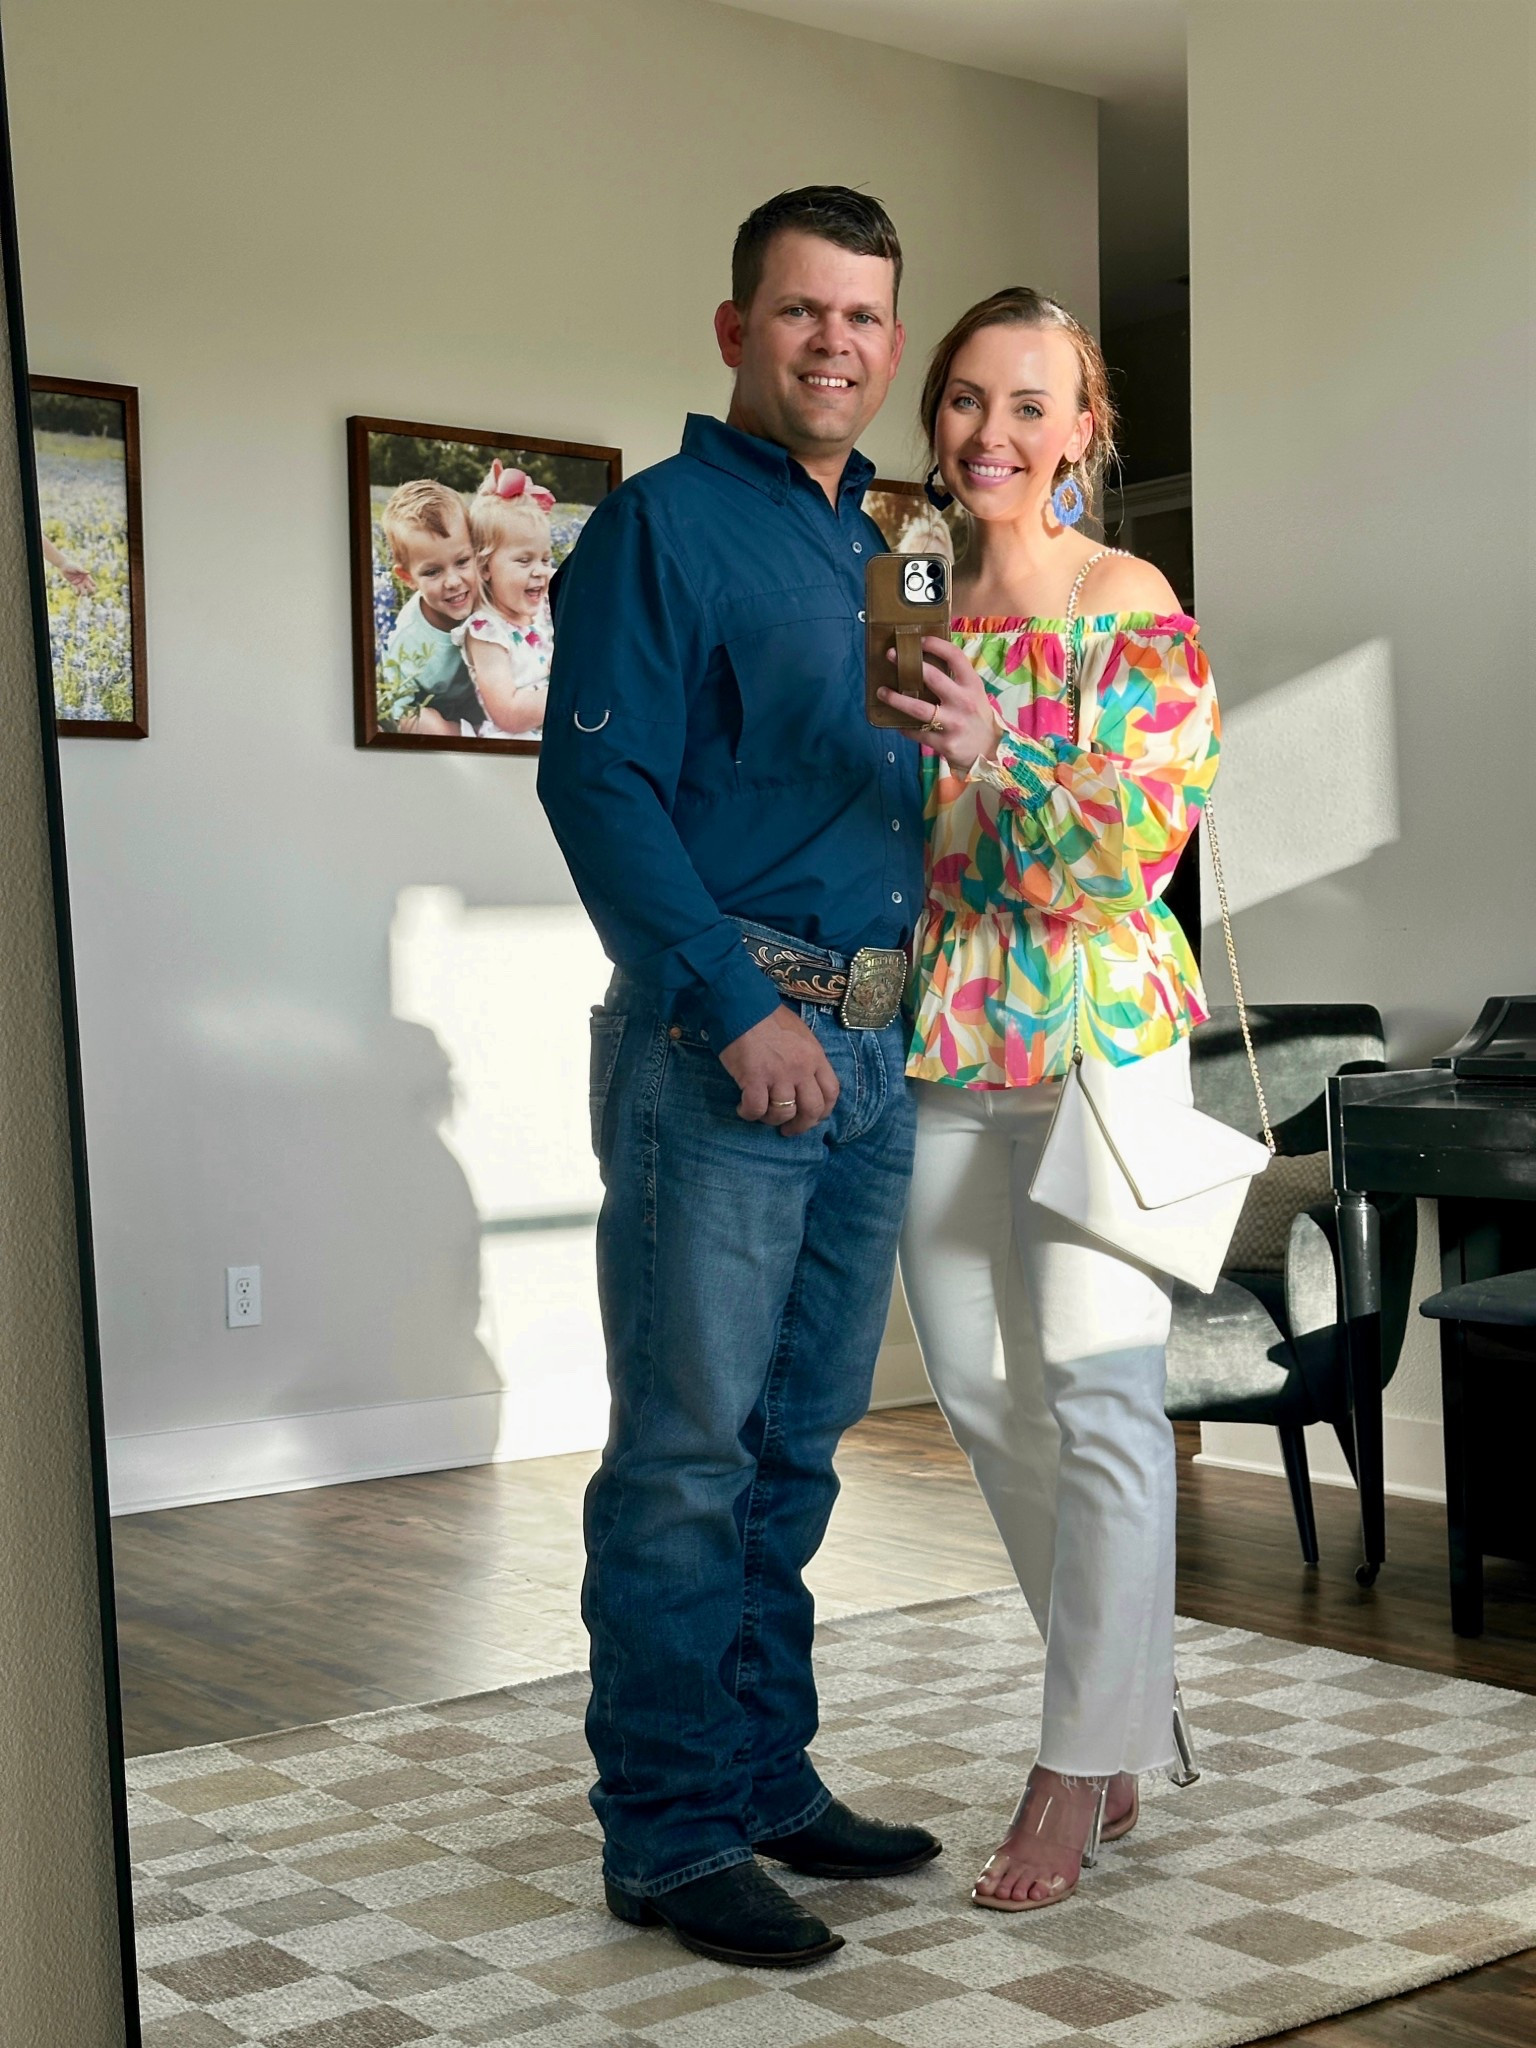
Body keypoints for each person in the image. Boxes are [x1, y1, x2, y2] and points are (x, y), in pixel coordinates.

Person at [538, 187, 938, 1970]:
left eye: (863, 317)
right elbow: (595, 789)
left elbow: (921, 781)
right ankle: (673, 1828)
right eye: (801, 312)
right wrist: (731, 1004)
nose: (834, 343)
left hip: (875, 1043)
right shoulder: (655, 528)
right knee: (688, 1456)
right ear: (735, 330)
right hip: (727, 1049)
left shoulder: (905, 540)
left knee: (800, 1440)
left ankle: (766, 1777)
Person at [880, 287, 1218, 1911]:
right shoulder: (909, 597)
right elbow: (888, 836)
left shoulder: (1125, 593)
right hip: (946, 1031)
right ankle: (1126, 1698)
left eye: (1028, 405)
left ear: (1083, 428)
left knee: (1097, 1398)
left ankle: (1074, 1759)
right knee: (977, 1393)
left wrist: (992, 742)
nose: (990, 435)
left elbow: (1135, 846)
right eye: (963, 400)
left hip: (1096, 1036)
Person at [454, 462, 554, 739]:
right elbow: (507, 713)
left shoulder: (544, 610)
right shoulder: (486, 630)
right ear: (485, 567)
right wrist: (571, 693)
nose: (539, 570)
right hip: (515, 744)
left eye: (545, 559)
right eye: (524, 560)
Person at [377, 480, 483, 736]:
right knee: (422, 723)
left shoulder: (490, 598)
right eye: (433, 572)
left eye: (462, 561)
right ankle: (470, 734)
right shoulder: (407, 636)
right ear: (408, 578)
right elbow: (396, 705)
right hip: (435, 705)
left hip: (483, 696)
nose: (453, 582)